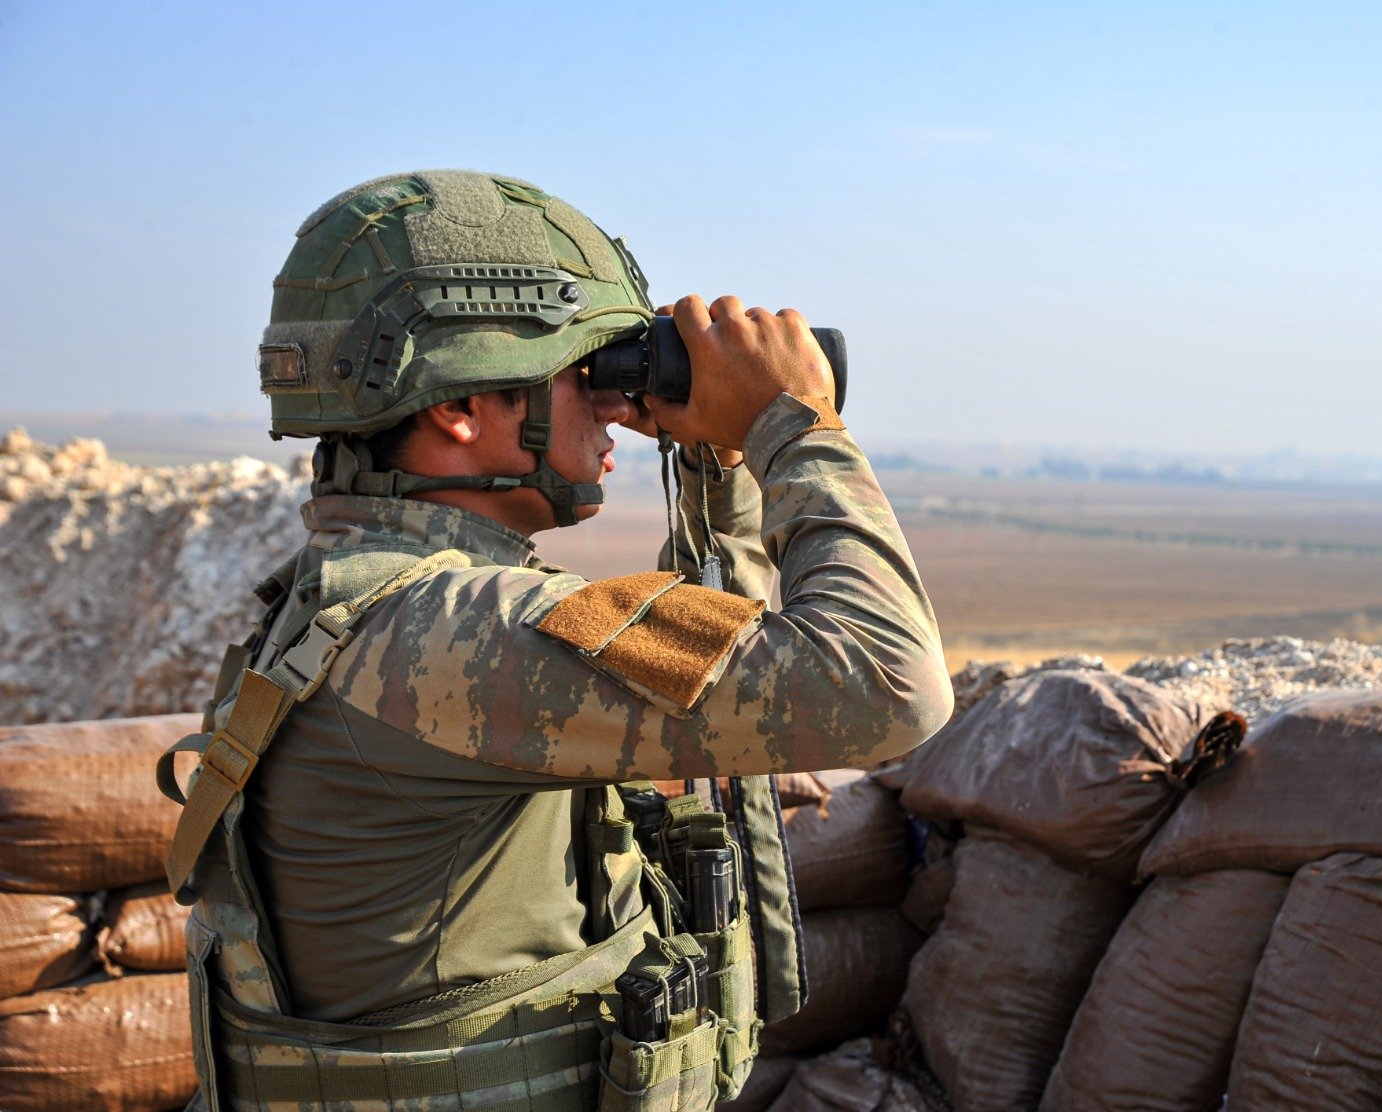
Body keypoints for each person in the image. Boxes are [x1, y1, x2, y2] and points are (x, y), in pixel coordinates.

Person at [161, 169, 952, 1111]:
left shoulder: (372, 609)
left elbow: (711, 666)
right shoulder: (442, 634)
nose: (615, 402)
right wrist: (797, 426)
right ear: (458, 409)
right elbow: (887, 687)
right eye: (585, 372)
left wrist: (718, 462)